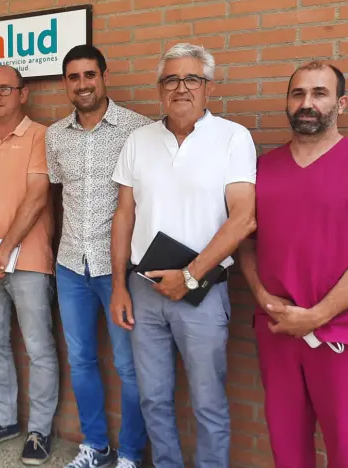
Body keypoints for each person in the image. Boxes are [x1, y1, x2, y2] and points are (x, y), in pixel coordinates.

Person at [238, 61, 348, 468]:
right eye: (298, 93)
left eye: (319, 93)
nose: (307, 103)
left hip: (342, 334)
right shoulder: (261, 170)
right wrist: (263, 296)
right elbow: (245, 244)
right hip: (278, 329)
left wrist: (317, 315)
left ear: (341, 103)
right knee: (286, 449)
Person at [109, 43, 257, 468]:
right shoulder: (138, 141)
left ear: (209, 87)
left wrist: (190, 276)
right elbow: (124, 214)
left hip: (203, 291)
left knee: (208, 403)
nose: (181, 88)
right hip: (145, 289)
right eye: (171, 79)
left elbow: (244, 218)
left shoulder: (232, 137)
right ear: (159, 89)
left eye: (192, 78)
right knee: (153, 398)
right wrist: (119, 285)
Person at [45, 44, 150, 468]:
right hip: (71, 264)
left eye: (90, 75)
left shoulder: (138, 130)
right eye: (74, 77)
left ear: (104, 77)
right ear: (66, 83)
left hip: (118, 269)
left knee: (128, 365)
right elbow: (58, 197)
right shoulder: (55, 135)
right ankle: (96, 445)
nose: (83, 84)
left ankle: (130, 454)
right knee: (81, 359)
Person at [0, 65, 59, 465]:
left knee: (38, 347)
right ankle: (4, 420)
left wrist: (4, 249)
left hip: (29, 261)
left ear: (23, 93)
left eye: (5, 88)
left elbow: (37, 196)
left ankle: (40, 430)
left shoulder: (41, 136)